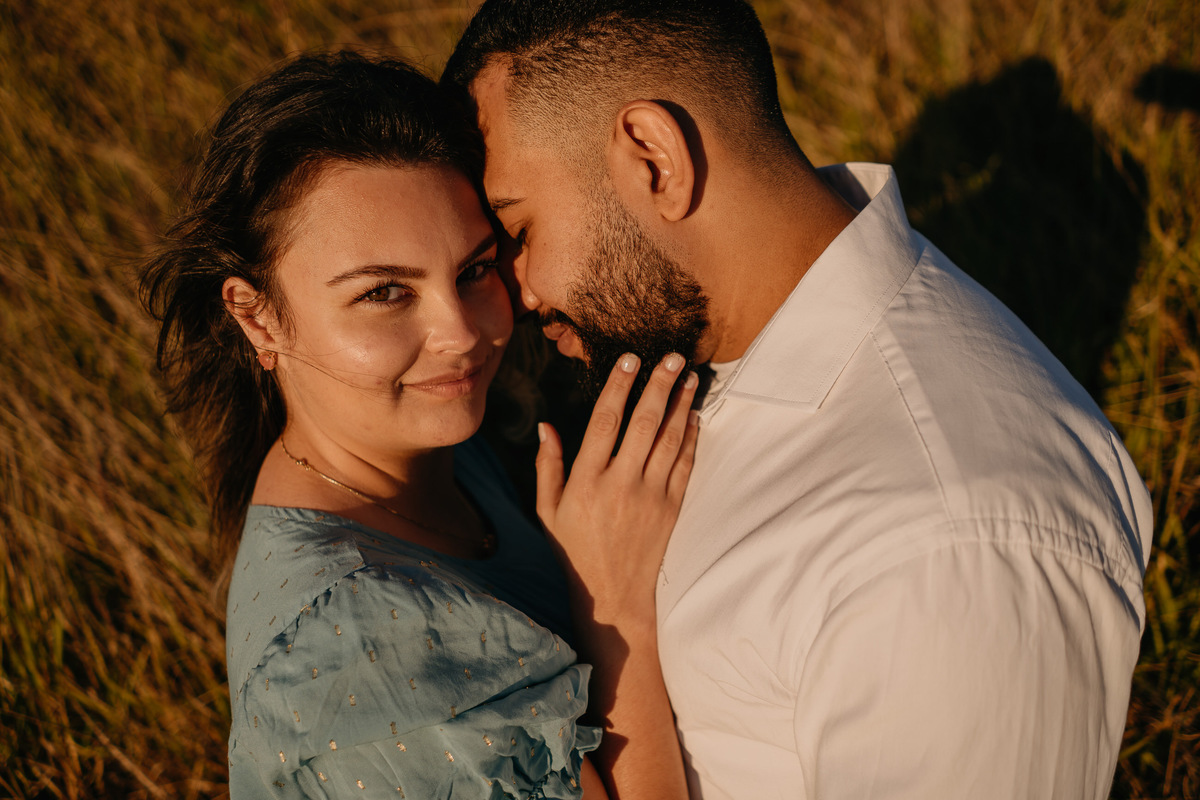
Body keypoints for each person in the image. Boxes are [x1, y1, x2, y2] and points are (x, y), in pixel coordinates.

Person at [442, 2, 1155, 798]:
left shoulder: (945, 544)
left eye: (521, 228)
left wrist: (615, 622)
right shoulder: (702, 351)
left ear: (655, 158)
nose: (518, 290)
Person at [140, 50, 699, 799]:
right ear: (257, 315)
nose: (462, 333)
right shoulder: (361, 648)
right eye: (382, 294)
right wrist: (618, 611)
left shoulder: (442, 444)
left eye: (473, 270)